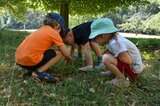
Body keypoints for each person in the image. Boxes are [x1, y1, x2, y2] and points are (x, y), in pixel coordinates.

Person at [15, 12, 72, 83]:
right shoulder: (54, 33)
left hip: (20, 61)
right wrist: (69, 59)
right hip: (30, 60)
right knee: (60, 53)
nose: (59, 34)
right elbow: (66, 54)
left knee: (47, 51)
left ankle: (31, 69)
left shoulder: (40, 30)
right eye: (60, 32)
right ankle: (38, 72)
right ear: (57, 26)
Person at [89, 18, 144, 87]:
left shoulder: (114, 44)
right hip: (134, 69)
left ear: (102, 36)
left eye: (95, 39)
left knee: (106, 58)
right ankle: (114, 72)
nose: (95, 42)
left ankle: (121, 80)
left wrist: (112, 55)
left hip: (134, 70)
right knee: (108, 56)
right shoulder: (115, 39)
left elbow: (128, 60)